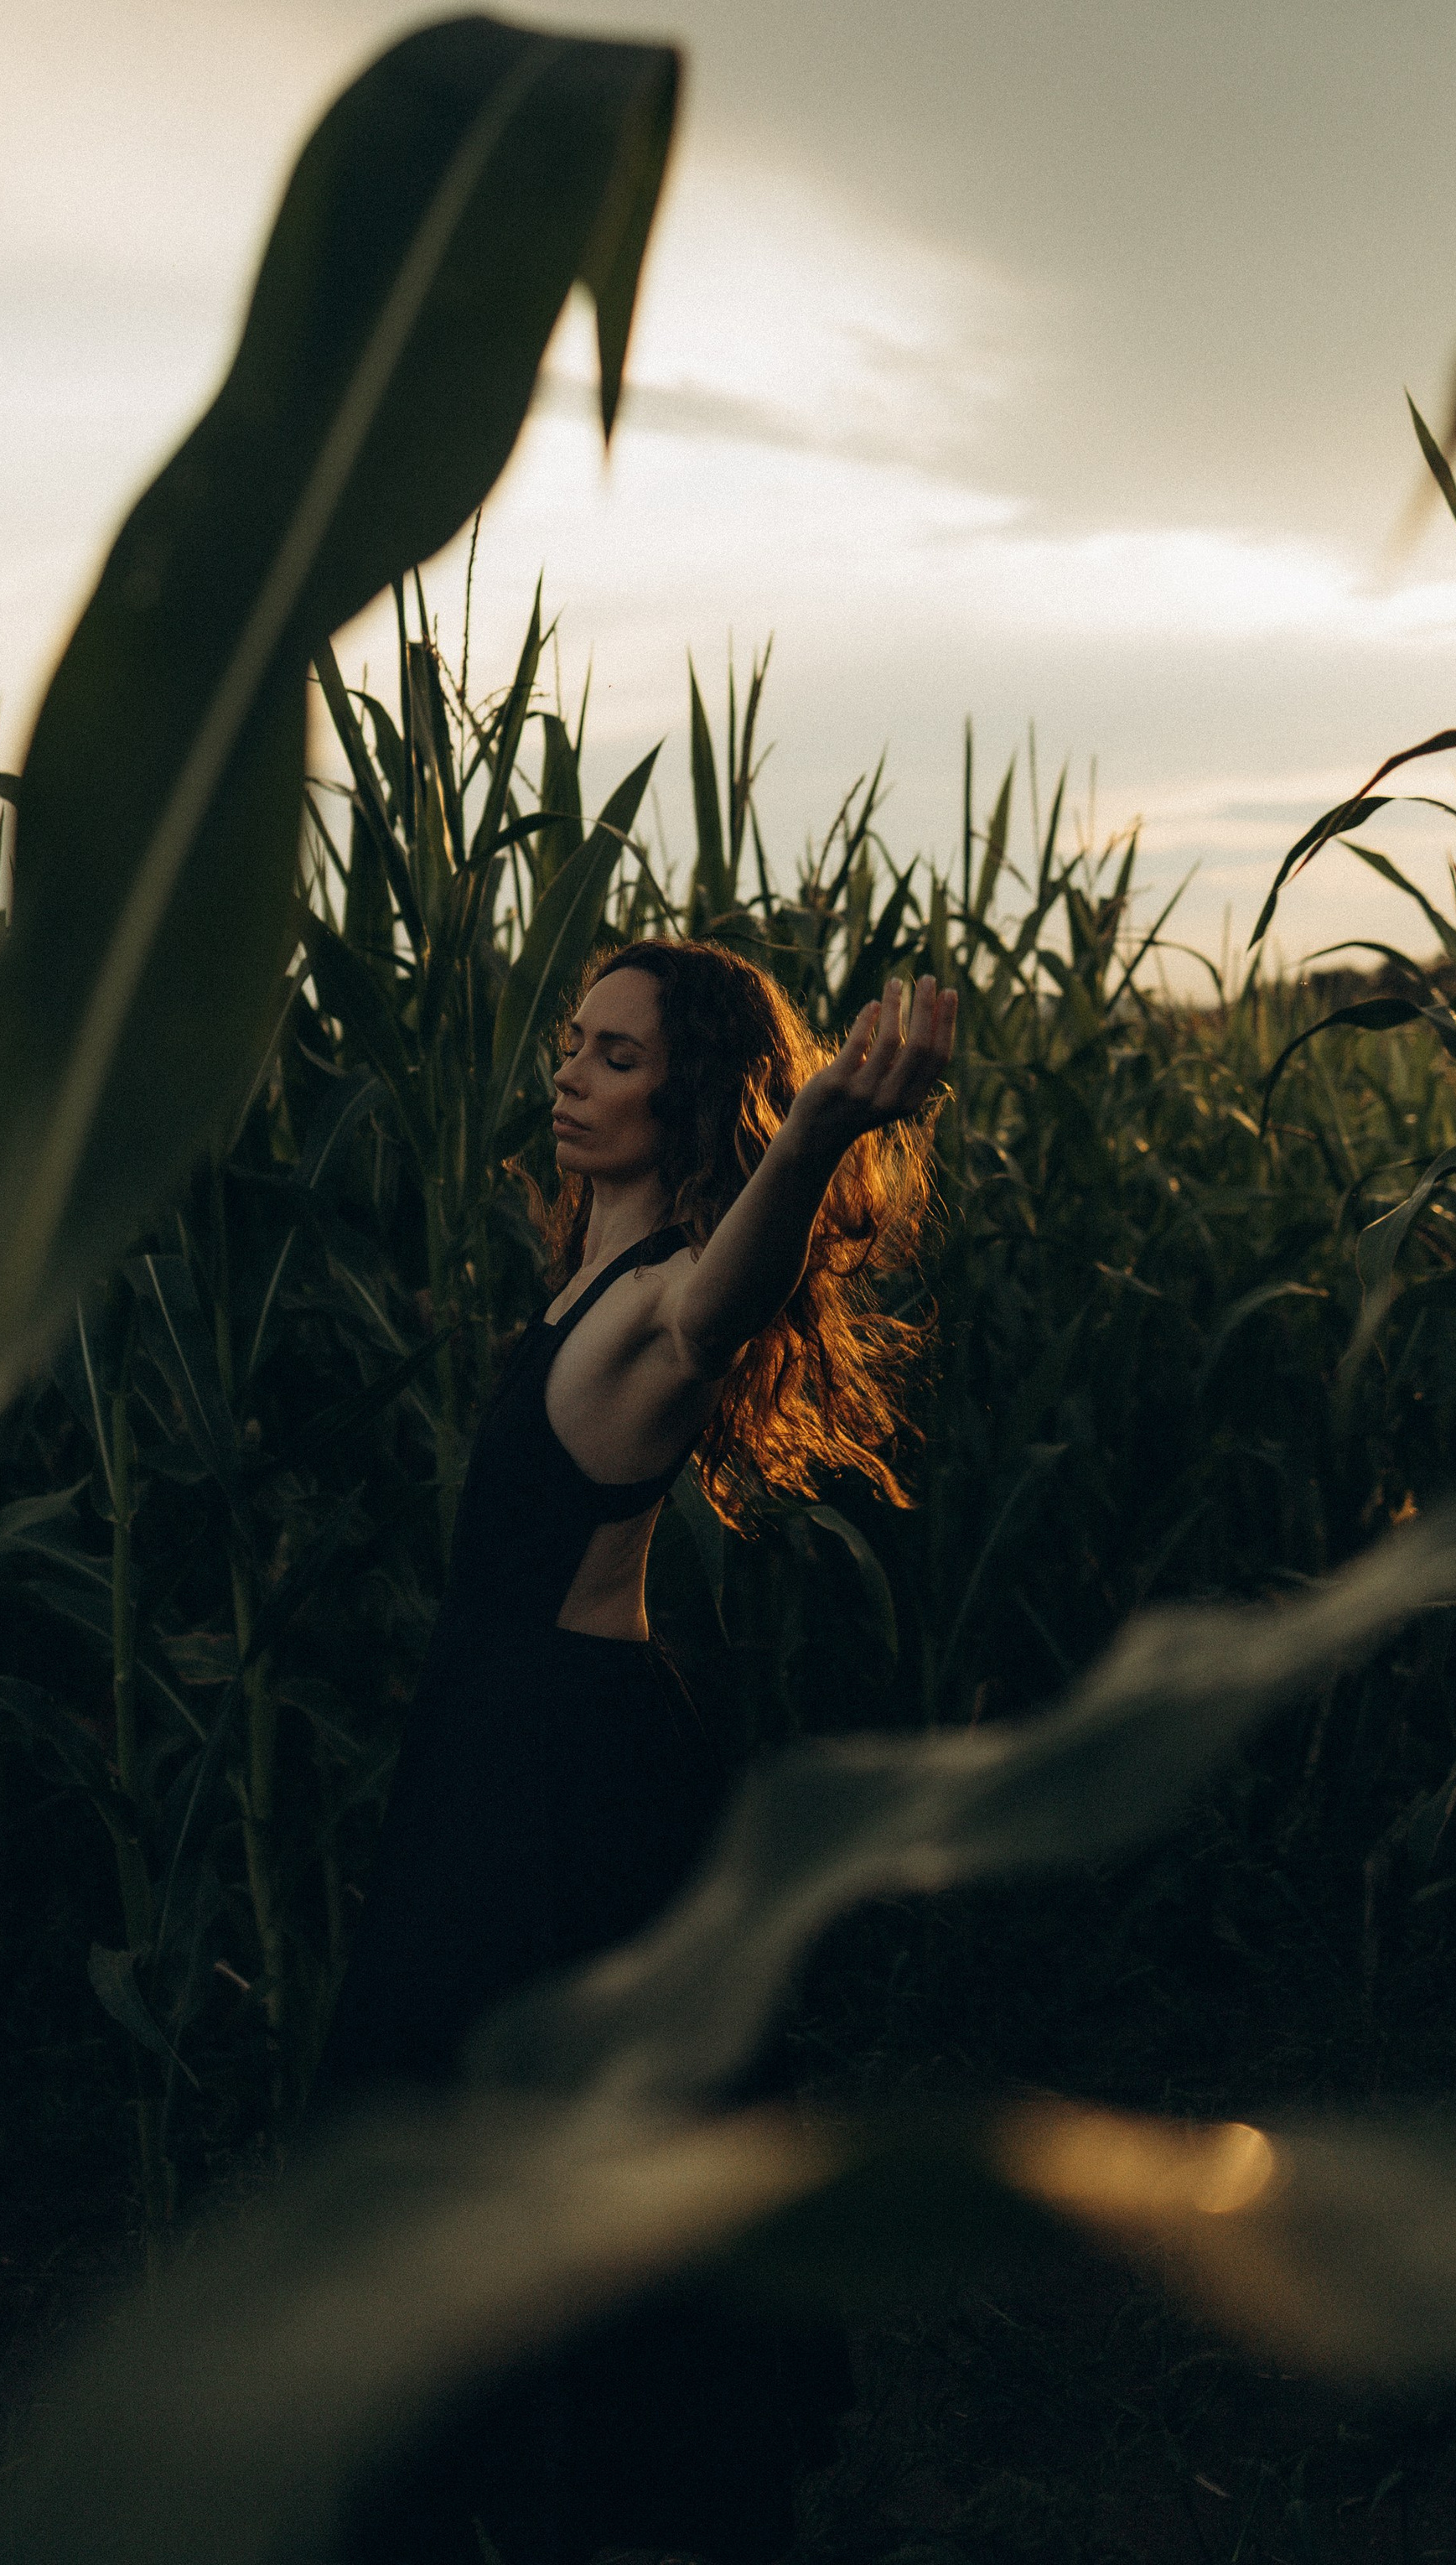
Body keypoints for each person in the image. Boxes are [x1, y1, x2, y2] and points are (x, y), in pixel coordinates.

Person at [317, 938, 956, 2565]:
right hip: (515, 1746)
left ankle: (566, 2497)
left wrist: (812, 1131)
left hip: (564, 1778)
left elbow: (712, 1310)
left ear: (683, 1105)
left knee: (558, 2149)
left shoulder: (654, 1298)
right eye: (571, 1044)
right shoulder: (577, 1279)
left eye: (612, 1056)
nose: (570, 1074)